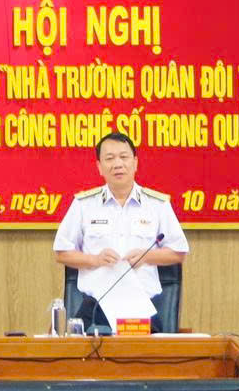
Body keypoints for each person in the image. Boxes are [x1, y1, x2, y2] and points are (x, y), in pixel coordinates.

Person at [51, 131, 188, 330]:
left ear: (135, 163)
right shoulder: (84, 205)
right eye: (109, 158)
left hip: (141, 308)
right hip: (95, 309)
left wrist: (147, 256)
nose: (117, 164)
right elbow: (61, 252)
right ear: (99, 167)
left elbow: (179, 252)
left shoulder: (157, 205)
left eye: (124, 157)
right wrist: (95, 260)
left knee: (146, 348)